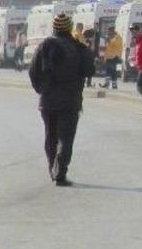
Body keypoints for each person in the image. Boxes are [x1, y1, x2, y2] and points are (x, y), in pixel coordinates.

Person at [28, 14, 95, 186]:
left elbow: (33, 71)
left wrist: (41, 89)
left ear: (54, 27)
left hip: (48, 101)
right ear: (70, 27)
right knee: (66, 138)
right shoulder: (78, 47)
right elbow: (90, 70)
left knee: (51, 136)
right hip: (71, 101)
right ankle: (60, 171)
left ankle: (53, 167)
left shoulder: (44, 46)